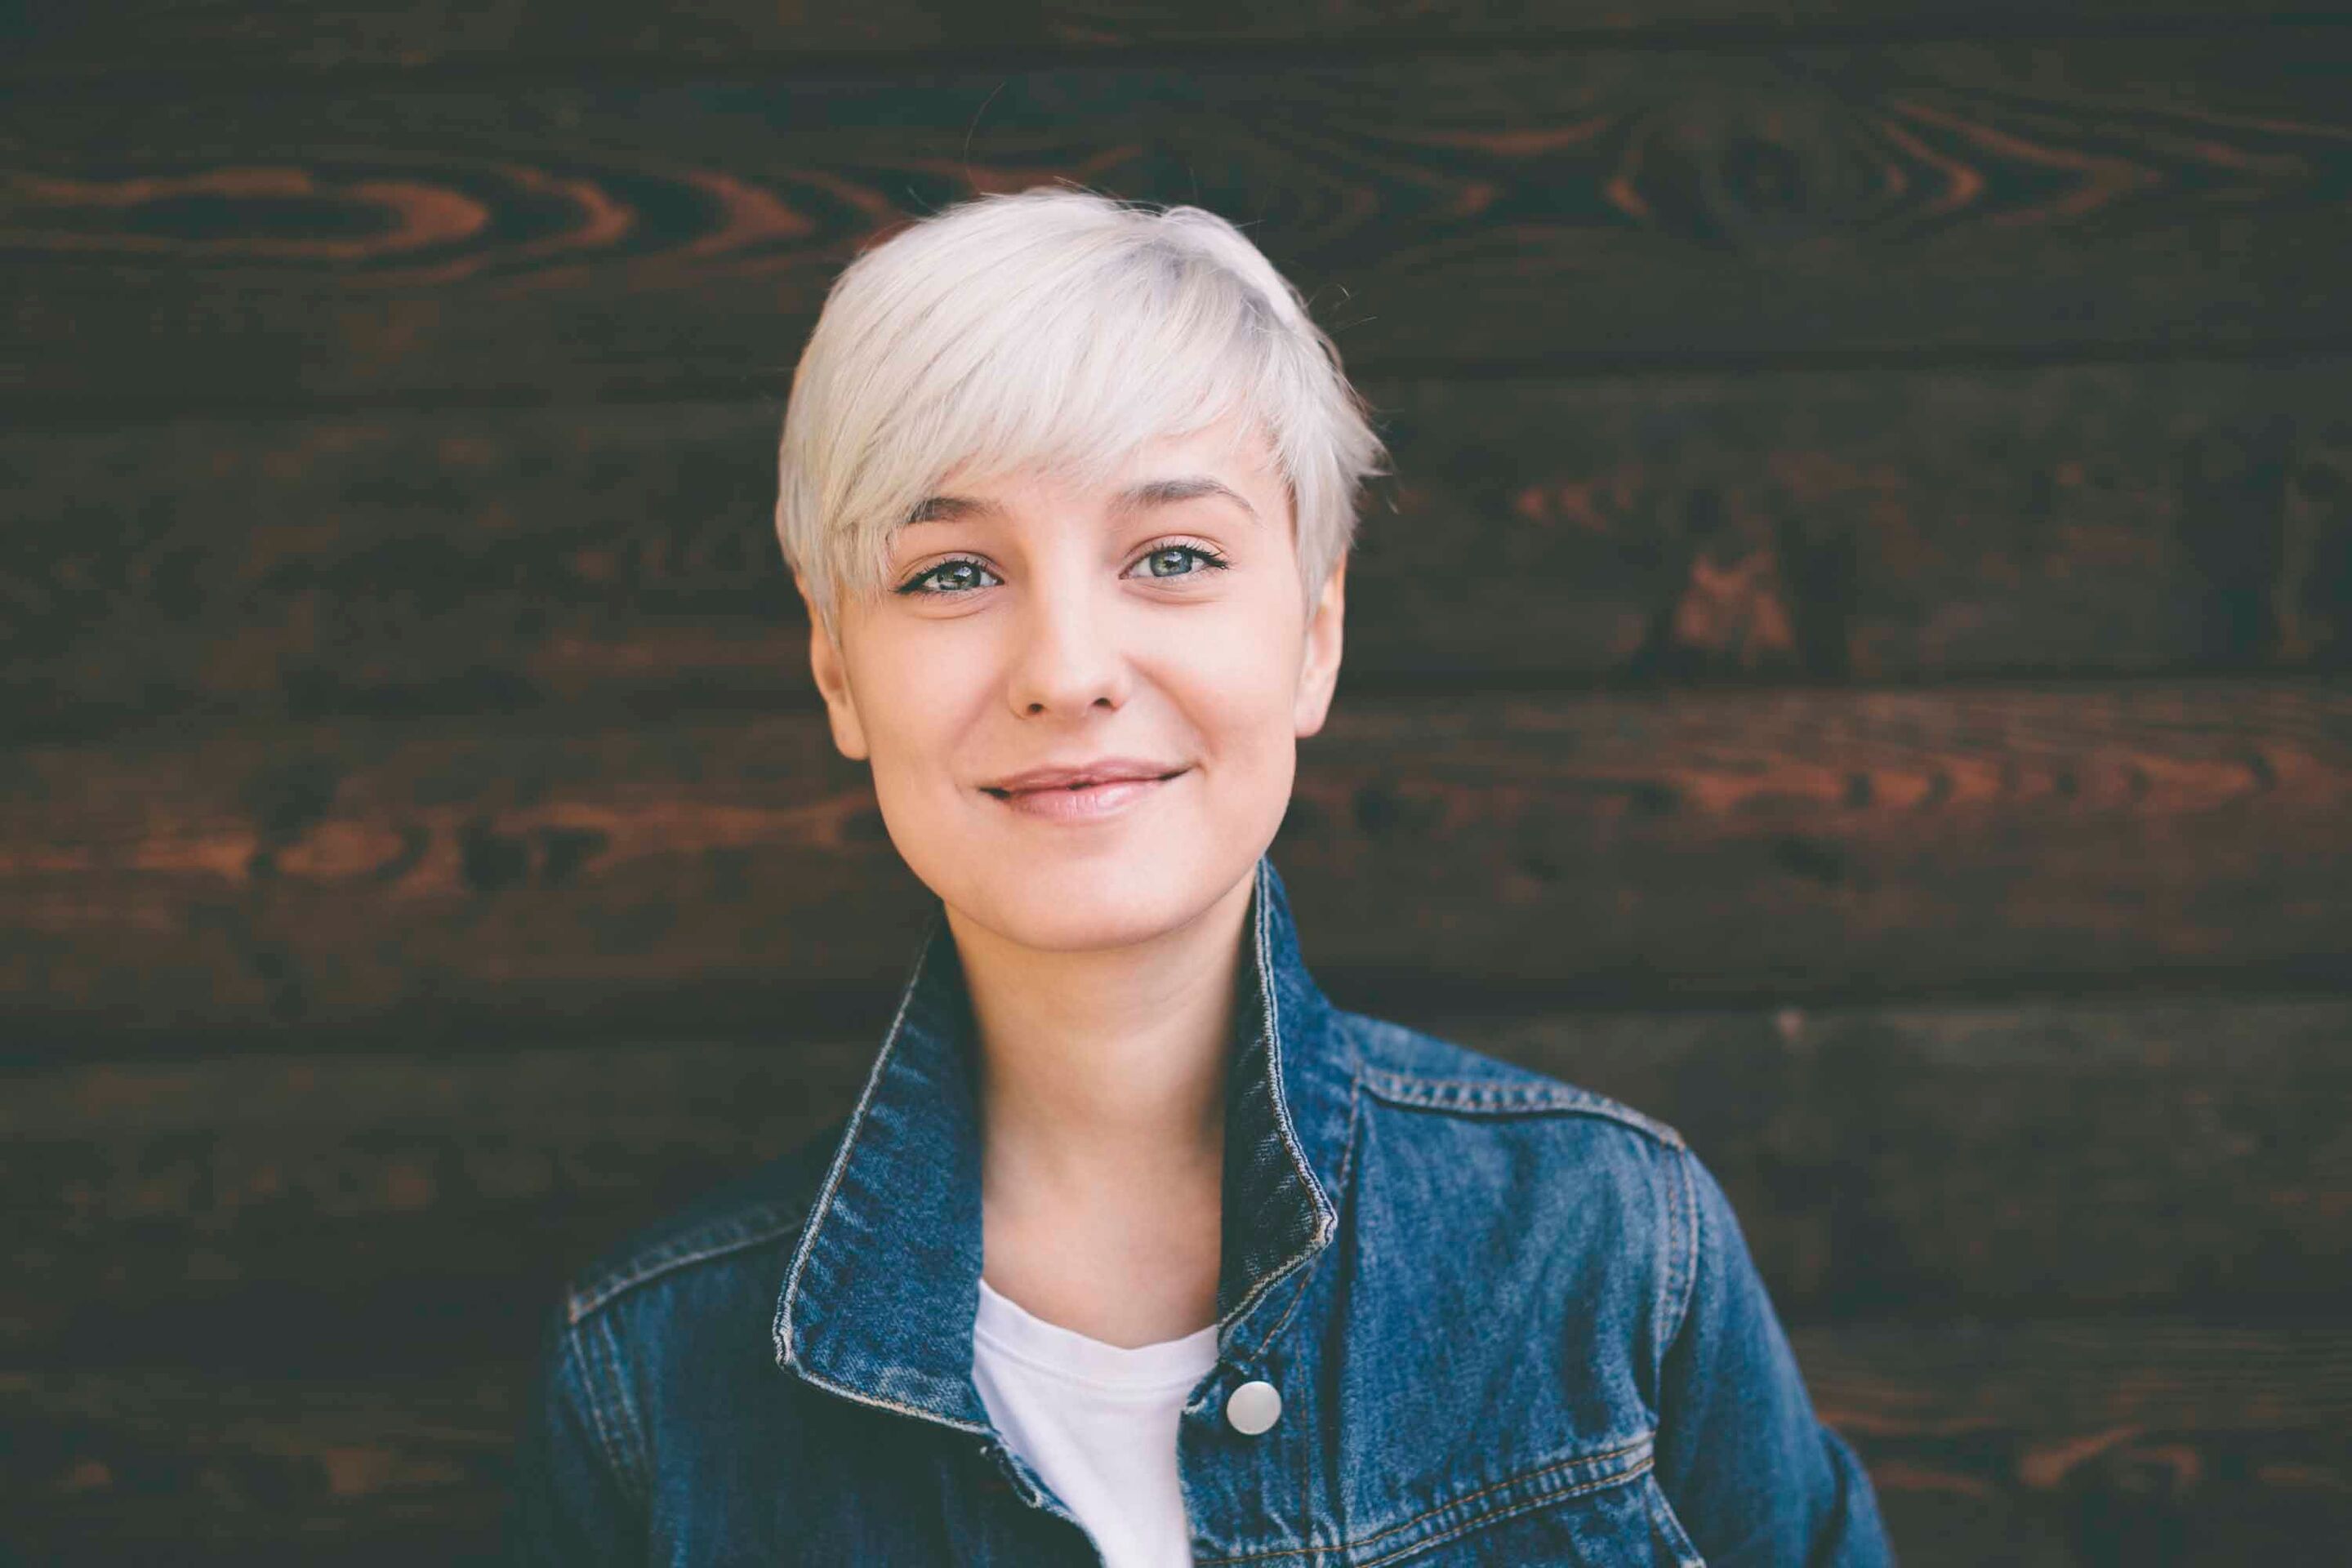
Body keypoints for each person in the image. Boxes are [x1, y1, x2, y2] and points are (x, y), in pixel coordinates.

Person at [503, 185, 1895, 1566]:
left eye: (1172, 555)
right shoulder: (649, 1387)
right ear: (835, 670)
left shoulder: (1610, 1254)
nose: (1066, 670)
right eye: (950, 572)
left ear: (1314, 635)